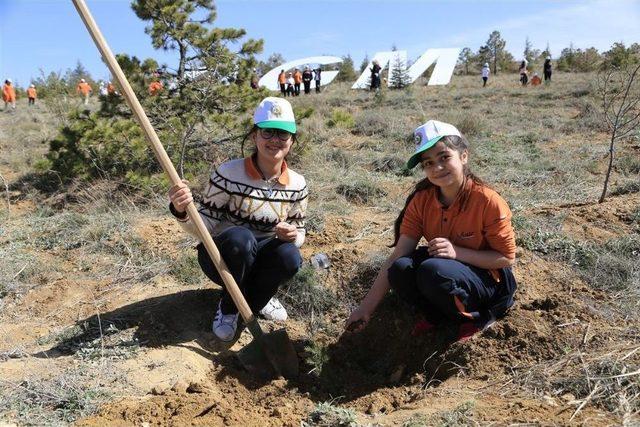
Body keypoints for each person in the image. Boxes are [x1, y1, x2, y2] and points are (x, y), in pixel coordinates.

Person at [345, 120, 517, 341]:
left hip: (488, 279)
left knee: (433, 270)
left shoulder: (488, 201)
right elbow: (400, 253)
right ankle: (437, 316)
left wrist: (457, 252)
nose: (437, 168)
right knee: (400, 269)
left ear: (463, 156)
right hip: (449, 268)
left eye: (444, 157)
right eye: (428, 163)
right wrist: (366, 308)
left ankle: (476, 317)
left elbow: (505, 257)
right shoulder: (422, 200)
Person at [168, 97, 308, 342]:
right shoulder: (229, 173)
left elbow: (300, 230)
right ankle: (230, 307)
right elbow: (204, 226)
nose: (275, 140)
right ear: (254, 136)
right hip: (224, 256)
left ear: (291, 142)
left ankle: (259, 298)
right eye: (268, 132)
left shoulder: (298, 184)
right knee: (240, 238)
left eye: (283, 134)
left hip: (263, 256)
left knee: (290, 256)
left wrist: (293, 236)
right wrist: (181, 211)